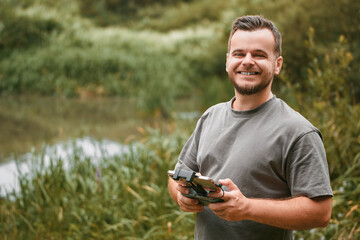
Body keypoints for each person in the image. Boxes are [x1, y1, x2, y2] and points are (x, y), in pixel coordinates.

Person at [168, 15, 333, 240]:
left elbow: (320, 213)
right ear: (228, 61)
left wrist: (247, 208)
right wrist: (182, 197)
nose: (247, 61)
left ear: (277, 65)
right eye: (239, 54)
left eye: (259, 55)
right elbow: (176, 176)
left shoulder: (298, 131)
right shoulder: (210, 116)